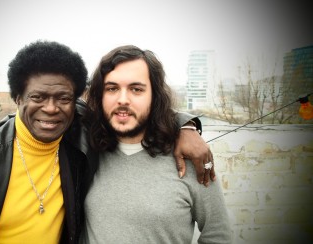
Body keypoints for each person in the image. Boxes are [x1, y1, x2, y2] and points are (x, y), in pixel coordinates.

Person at [0, 40, 214, 244]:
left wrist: (185, 125)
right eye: (38, 97)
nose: (51, 108)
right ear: (18, 98)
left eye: (63, 98)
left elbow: (130, 110)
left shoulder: (79, 138)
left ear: (75, 102)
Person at [81, 45, 232, 243]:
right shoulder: (88, 150)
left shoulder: (190, 159)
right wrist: (187, 124)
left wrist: (186, 125)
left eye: (136, 89)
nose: (122, 99)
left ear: (154, 96)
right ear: (100, 95)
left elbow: (218, 234)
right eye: (112, 88)